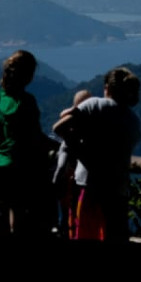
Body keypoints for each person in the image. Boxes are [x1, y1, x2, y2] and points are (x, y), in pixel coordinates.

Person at [53, 67, 141, 242]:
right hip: (118, 190)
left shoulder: (94, 105)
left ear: (107, 87)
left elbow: (58, 127)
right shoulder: (133, 120)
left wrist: (81, 152)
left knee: (86, 235)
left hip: (89, 185)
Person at [0, 49, 54, 237]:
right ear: (27, 75)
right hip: (24, 165)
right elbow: (35, 136)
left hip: (1, 163)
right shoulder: (27, 101)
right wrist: (58, 147)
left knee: (9, 213)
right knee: (28, 218)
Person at [51, 89, 91, 238]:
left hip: (75, 170)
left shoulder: (84, 119)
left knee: (71, 210)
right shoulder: (74, 117)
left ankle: (63, 229)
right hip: (68, 164)